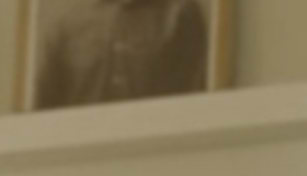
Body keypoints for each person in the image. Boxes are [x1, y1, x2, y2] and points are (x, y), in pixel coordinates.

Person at [29, 0, 215, 108]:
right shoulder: (66, 26)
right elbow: (43, 112)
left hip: (159, 157)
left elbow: (196, 104)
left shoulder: (181, 14)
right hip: (80, 163)